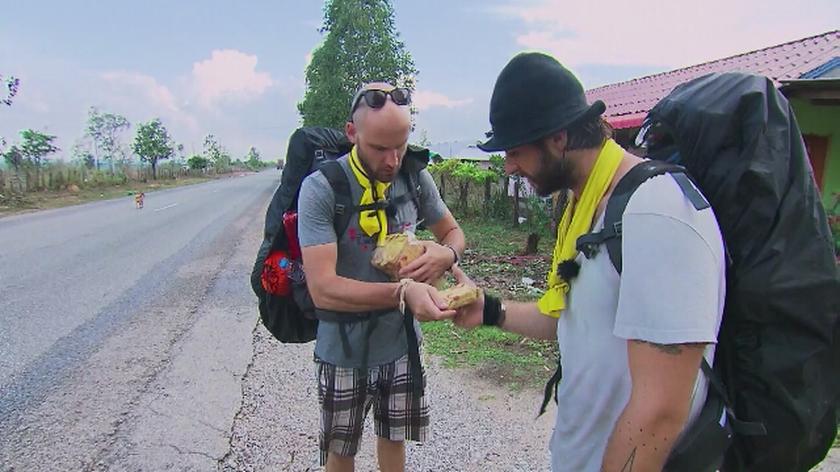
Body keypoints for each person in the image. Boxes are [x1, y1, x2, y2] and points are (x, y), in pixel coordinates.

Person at [452, 52, 726, 471]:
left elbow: (661, 411)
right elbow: (573, 318)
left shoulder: (656, 212)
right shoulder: (589, 207)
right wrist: (489, 310)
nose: (508, 165)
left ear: (559, 138)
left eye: (516, 150)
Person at [297, 82, 466, 472]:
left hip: (400, 344)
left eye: (401, 145)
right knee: (342, 451)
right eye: (379, 148)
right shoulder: (322, 189)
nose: (392, 160)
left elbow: (454, 233)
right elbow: (323, 290)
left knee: (394, 439)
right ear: (352, 133)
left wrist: (447, 252)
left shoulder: (413, 177)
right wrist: (403, 292)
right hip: (343, 349)